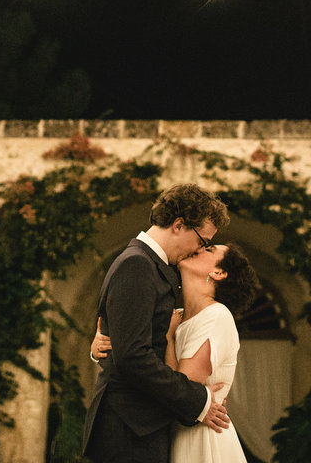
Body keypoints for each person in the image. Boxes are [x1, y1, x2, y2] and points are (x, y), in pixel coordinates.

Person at [82, 183, 233, 463]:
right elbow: (133, 357)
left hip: (141, 425)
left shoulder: (155, 266)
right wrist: (197, 400)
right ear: (178, 225)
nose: (199, 249)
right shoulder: (137, 265)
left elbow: (127, 342)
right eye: (201, 241)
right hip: (129, 429)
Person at [92, 241, 260, 463]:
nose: (198, 248)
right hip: (172, 434)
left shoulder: (217, 316)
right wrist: (99, 347)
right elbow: (135, 355)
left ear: (218, 272)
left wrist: (169, 340)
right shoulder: (175, 316)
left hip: (201, 438)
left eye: (209, 250)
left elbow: (181, 387)